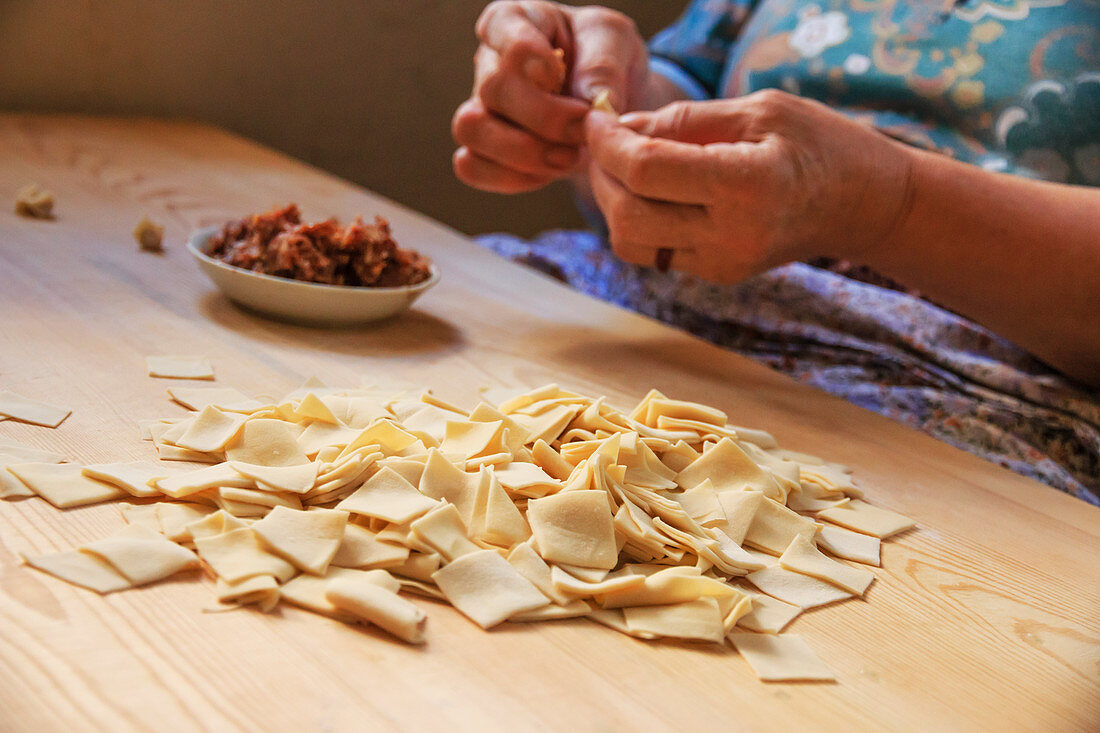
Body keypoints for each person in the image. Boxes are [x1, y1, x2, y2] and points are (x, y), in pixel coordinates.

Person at [451, 0, 1100, 504]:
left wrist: (884, 205)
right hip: (660, 307)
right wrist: (596, 101)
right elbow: (696, 96)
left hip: (975, 386)